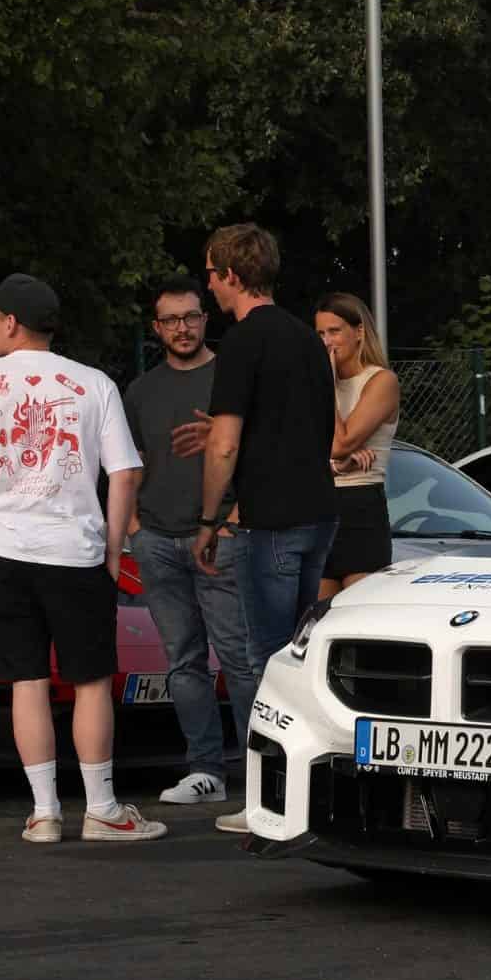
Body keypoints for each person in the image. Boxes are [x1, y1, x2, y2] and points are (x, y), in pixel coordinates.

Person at [0, 272, 163, 845]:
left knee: (27, 681)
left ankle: (44, 813)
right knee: (91, 683)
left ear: (12, 322)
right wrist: (114, 549)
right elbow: (124, 473)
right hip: (77, 554)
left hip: (6, 552)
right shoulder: (92, 383)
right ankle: (102, 809)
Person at [192, 226, 335, 835]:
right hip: (319, 513)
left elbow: (224, 444)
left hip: (269, 520)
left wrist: (208, 519)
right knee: (300, 659)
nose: (208, 284)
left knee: (265, 663)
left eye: (211, 272)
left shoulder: (243, 341)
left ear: (231, 274)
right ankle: (307, 792)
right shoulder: (308, 339)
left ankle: (266, 799)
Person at [121, 276, 256, 809]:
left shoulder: (231, 379)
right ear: (156, 328)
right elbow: (127, 465)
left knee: (240, 660)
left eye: (191, 317)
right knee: (183, 662)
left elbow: (258, 456)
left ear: (205, 319)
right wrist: (133, 528)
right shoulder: (139, 392)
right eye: (171, 320)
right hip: (156, 541)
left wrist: (232, 521)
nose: (183, 328)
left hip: (223, 540)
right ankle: (205, 771)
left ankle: (261, 773)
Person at [314, 292, 400, 600]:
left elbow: (340, 442)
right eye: (320, 334)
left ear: (359, 331)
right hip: (318, 506)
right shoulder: (317, 384)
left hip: (361, 508)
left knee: (357, 615)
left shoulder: (381, 381)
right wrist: (338, 464)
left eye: (334, 331)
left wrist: (326, 382)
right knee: (318, 619)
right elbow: (301, 450)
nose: (327, 342)